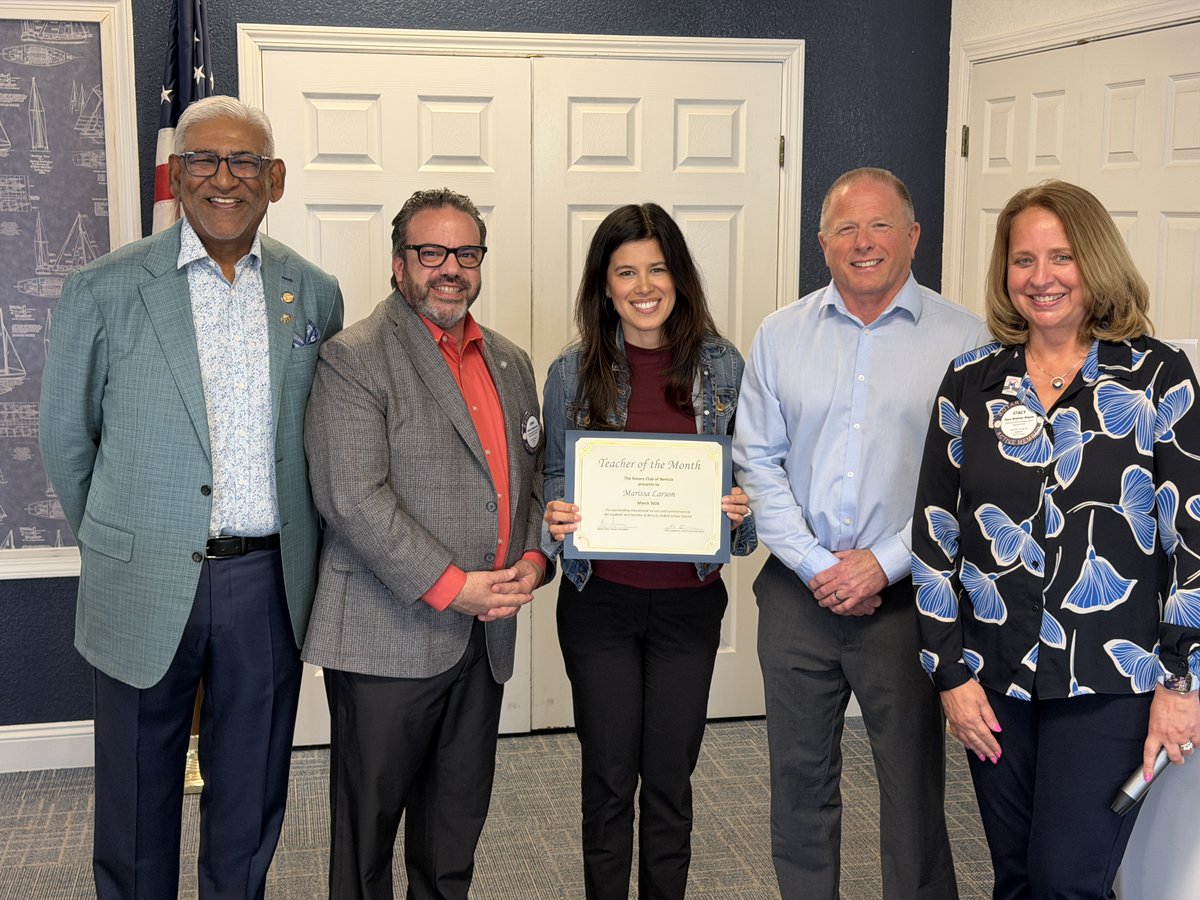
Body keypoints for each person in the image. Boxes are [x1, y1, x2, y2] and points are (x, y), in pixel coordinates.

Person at [39, 95, 343, 898]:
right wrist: (128, 537)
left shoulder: (313, 293)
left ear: (273, 180)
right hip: (142, 580)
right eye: (203, 160)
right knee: (137, 804)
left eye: (245, 162)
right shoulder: (103, 289)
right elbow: (67, 443)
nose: (224, 178)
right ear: (176, 178)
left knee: (251, 795)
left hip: (269, 584)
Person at [912, 179, 1200, 899]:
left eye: (1061, 256)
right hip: (992, 678)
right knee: (1014, 878)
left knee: (1065, 880)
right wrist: (948, 673)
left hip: (1110, 682)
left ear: (1095, 262)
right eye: (1023, 260)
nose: (1040, 278)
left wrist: (1181, 682)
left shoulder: (1157, 376)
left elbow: (1192, 542)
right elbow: (934, 536)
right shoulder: (971, 383)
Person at [733, 167, 987, 899]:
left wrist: (879, 565)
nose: (863, 242)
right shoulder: (780, 335)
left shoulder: (966, 340)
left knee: (912, 789)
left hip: (911, 600)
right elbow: (758, 460)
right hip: (796, 594)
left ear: (913, 236)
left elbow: (968, 481)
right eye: (845, 228)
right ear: (823, 243)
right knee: (798, 781)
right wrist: (819, 565)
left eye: (880, 226)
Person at [301, 187, 549, 900]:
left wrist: (531, 564)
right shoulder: (355, 357)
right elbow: (351, 497)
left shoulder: (509, 360)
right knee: (367, 843)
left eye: (465, 253)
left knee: (452, 837)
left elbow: (530, 481)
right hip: (387, 638)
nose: (450, 267)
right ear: (398, 262)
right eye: (431, 251)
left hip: (484, 640)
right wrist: (453, 586)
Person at [540, 202, 756, 899]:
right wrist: (557, 511)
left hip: (688, 609)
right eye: (625, 270)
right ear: (603, 285)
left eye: (657, 268)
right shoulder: (571, 371)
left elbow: (748, 474)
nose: (642, 285)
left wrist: (738, 508)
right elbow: (551, 473)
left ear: (680, 277)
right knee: (607, 779)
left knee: (669, 780)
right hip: (598, 605)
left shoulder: (723, 366)